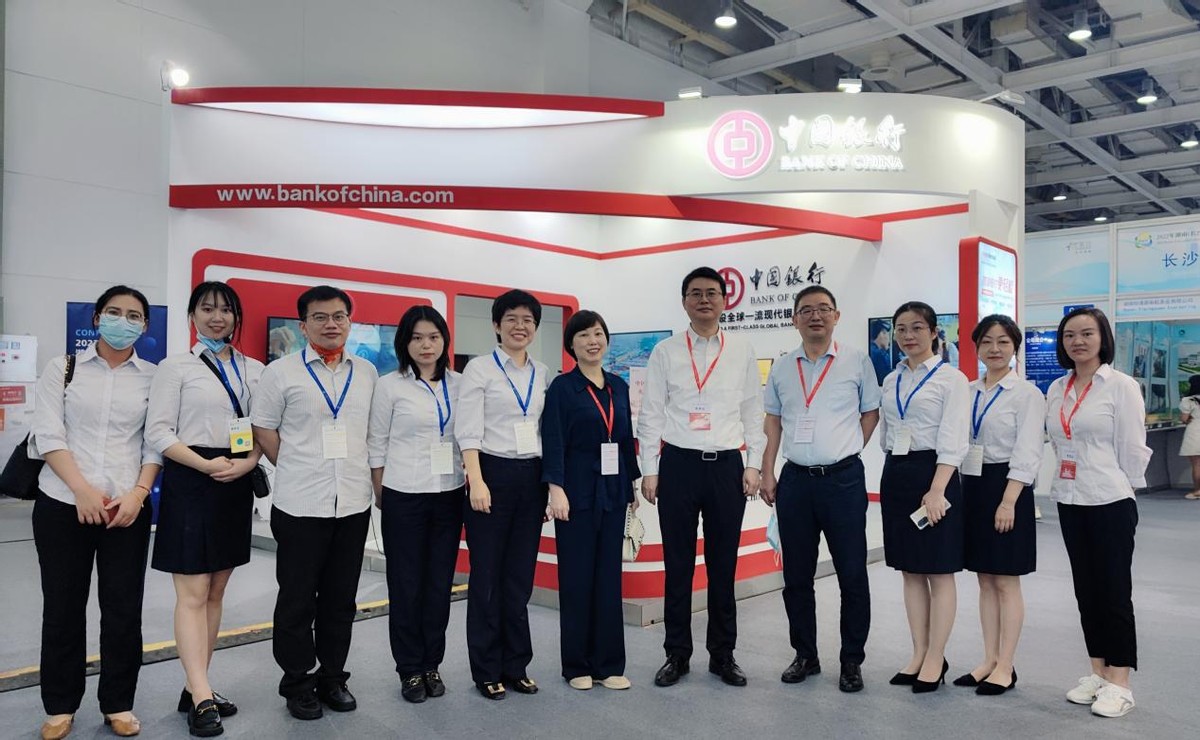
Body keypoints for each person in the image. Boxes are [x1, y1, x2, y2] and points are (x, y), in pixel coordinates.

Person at [30, 286, 161, 740]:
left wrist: (138, 494)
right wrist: (82, 491)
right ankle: (60, 706)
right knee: (63, 608)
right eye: (114, 312)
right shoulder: (63, 368)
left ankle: (118, 703)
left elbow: (154, 442)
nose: (123, 321)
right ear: (97, 318)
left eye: (133, 315)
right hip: (63, 503)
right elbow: (48, 434)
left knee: (123, 610)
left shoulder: (153, 378)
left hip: (126, 509)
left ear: (145, 326)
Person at [250, 285, 378, 721]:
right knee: (297, 598)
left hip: (353, 503)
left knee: (341, 599)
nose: (331, 324)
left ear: (349, 322)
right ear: (303, 326)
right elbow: (263, 428)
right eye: (320, 317)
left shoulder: (367, 373)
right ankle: (297, 681)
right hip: (300, 504)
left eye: (339, 316)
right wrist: (296, 464)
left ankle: (333, 676)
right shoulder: (280, 373)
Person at [637, 267, 766, 689]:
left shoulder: (741, 349)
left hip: (727, 465)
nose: (704, 300)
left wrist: (753, 463)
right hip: (678, 464)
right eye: (695, 293)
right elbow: (651, 413)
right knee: (677, 565)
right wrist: (650, 469)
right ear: (684, 302)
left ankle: (722, 654)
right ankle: (677, 654)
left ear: (725, 300)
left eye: (712, 293)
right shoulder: (666, 351)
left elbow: (753, 410)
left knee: (722, 565)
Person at [145, 282, 264, 736]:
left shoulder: (254, 369)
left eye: (226, 310)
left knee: (215, 592)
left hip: (234, 480)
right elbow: (158, 432)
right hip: (192, 479)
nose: (218, 317)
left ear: (236, 317)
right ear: (192, 314)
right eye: (208, 308)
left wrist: (248, 462)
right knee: (192, 594)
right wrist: (205, 465)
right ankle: (201, 695)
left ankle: (196, 685)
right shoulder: (175, 367)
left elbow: (262, 429)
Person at [760, 286, 881, 693]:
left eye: (824, 309)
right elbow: (773, 421)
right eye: (807, 310)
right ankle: (805, 655)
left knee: (852, 574)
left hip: (843, 481)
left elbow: (870, 412)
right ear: (794, 319)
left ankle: (851, 660)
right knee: (796, 575)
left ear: (836, 316)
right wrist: (767, 471)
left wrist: (847, 447)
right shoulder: (782, 367)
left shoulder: (856, 361)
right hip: (795, 481)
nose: (816, 316)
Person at [1047, 307, 1150, 718]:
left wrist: (1127, 490)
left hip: (1110, 501)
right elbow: (1058, 442)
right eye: (1069, 335)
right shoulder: (1057, 387)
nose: (1078, 341)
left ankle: (1121, 682)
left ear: (1102, 337)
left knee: (1113, 593)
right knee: (1086, 592)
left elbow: (1133, 447)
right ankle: (1098, 672)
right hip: (1070, 500)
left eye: (1087, 333)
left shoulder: (1121, 386)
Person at [367, 305, 464, 704]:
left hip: (450, 492)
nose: (426, 345)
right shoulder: (390, 386)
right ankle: (409, 668)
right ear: (404, 343)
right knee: (406, 584)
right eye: (417, 338)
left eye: (433, 337)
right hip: (403, 493)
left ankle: (431, 663)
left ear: (444, 341)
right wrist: (380, 492)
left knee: (439, 584)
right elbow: (376, 443)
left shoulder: (460, 384)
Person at [457, 289, 551, 701]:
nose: (519, 326)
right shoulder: (479, 369)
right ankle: (486, 669)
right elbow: (467, 430)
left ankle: (516, 665)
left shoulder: (542, 373)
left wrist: (546, 486)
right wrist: (476, 481)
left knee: (519, 578)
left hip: (531, 477)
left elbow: (546, 432)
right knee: (488, 578)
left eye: (528, 320)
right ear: (496, 325)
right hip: (490, 474)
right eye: (511, 318)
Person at [541, 310, 640, 691]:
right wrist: (555, 488)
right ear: (572, 344)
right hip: (576, 494)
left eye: (598, 333)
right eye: (583, 335)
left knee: (609, 580)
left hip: (613, 492)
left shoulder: (618, 386)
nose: (592, 341)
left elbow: (625, 438)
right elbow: (553, 439)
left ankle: (609, 664)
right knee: (577, 579)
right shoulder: (563, 388)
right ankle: (577, 665)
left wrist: (631, 487)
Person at [877, 301, 970, 694]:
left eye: (917, 327)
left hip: (935, 475)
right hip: (897, 472)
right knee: (910, 570)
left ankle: (936, 656)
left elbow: (954, 438)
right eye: (901, 329)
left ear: (934, 332)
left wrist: (937, 488)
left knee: (938, 570)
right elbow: (886, 432)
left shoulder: (952, 379)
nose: (908, 335)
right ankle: (918, 653)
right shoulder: (891, 379)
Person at [952, 315, 1044, 696]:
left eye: (1003, 342)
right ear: (976, 347)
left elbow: (1028, 451)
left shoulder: (1027, 394)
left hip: (1008, 487)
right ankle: (988, 659)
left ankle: (1006, 664)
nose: (994, 349)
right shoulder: (968, 391)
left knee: (1006, 580)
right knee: (985, 579)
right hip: (973, 485)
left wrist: (1008, 501)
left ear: (1015, 348)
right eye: (987, 341)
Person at [1180, 375, 1200, 500]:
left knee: (1197, 464)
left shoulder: (1188, 400)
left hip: (1195, 432)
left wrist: (1187, 419)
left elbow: (1184, 418)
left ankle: (1197, 490)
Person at [869, 320, 893, 385]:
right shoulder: (879, 355)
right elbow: (888, 380)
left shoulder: (871, 350)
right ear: (882, 334)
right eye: (887, 334)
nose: (889, 339)